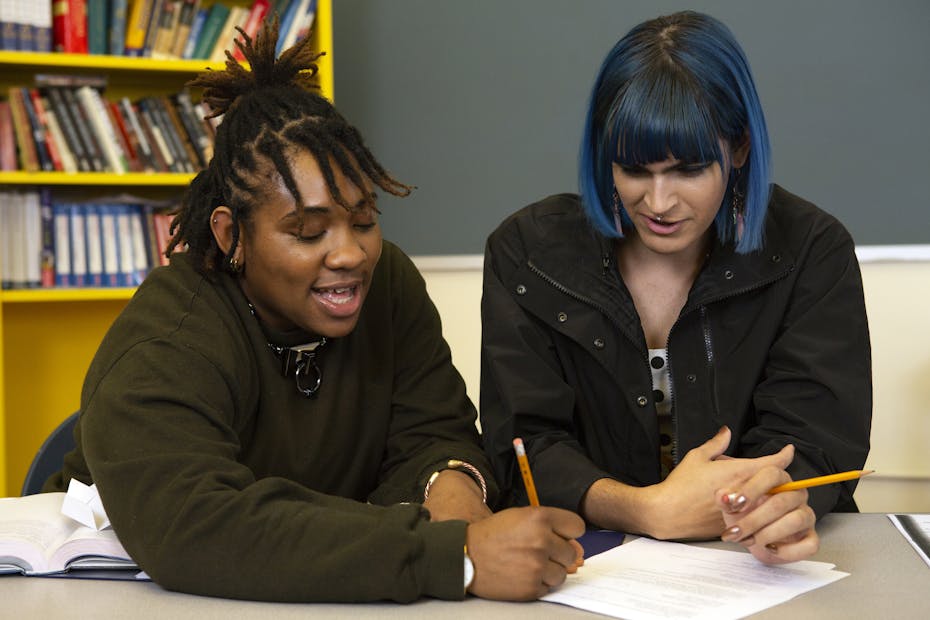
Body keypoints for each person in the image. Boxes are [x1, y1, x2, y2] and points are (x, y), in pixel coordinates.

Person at [44, 19, 583, 603]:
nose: (350, 253)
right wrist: (456, 558)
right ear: (232, 237)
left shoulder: (389, 282)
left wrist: (450, 483)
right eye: (305, 232)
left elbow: (434, 430)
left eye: (364, 220)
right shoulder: (171, 335)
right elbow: (196, 526)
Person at [480, 10, 871, 565]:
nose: (658, 203)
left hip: (755, 564)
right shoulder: (527, 252)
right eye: (634, 169)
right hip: (583, 565)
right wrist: (645, 509)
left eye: (688, 170)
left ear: (737, 150)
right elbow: (522, 446)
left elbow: (814, 441)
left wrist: (774, 506)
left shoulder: (811, 249)